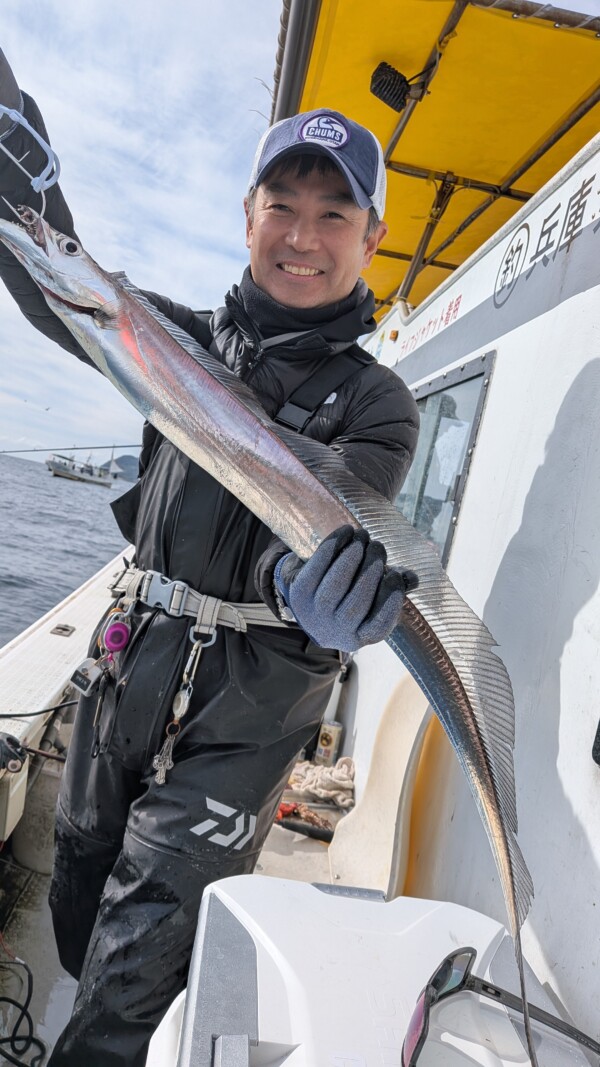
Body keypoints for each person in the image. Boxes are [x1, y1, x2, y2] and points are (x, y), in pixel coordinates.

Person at [0, 49, 419, 1067]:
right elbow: (53, 278)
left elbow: (317, 530)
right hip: (127, 666)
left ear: (373, 236)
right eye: (284, 204)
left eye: (335, 214)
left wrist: (308, 588)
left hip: (252, 707)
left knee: (144, 946)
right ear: (247, 215)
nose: (304, 236)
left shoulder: (378, 405)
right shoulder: (171, 338)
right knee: (79, 879)